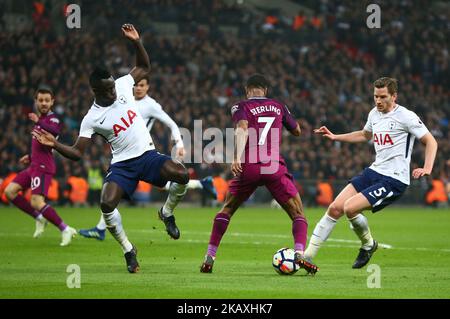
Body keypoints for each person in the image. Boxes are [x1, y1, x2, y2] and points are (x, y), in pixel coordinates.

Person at [32, 24, 189, 273]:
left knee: (182, 174)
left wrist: (137, 41)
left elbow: (144, 67)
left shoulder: (124, 85)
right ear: (96, 91)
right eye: (108, 90)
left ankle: (166, 213)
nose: (114, 91)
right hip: (123, 165)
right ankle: (128, 249)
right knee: (106, 204)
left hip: (147, 156)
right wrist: (55, 144)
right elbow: (77, 153)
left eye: (114, 86)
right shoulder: (92, 118)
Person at [304, 77, 438, 268]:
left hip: (394, 179)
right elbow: (364, 135)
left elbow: (431, 141)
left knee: (350, 208)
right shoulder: (374, 114)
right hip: (374, 171)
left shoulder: (406, 116)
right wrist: (335, 136)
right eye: (376, 96)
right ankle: (307, 256)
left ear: (394, 96)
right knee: (335, 207)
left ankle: (368, 245)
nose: (378, 101)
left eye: (383, 97)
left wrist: (427, 168)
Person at [200, 74, 319, 274]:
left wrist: (237, 157)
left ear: (248, 90)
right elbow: (297, 130)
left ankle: (209, 258)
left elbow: (242, 128)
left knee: (227, 210)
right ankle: (299, 254)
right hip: (273, 166)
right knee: (298, 214)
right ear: (266, 90)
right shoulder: (279, 106)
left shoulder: (240, 106)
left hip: (250, 166)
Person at [78, 74, 217, 241]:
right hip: (124, 154)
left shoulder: (151, 105)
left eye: (142, 85)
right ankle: (202, 184)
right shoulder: (122, 97)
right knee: (115, 194)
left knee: (165, 182)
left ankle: (103, 228)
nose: (138, 88)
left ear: (148, 87)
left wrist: (179, 143)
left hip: (143, 153)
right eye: (136, 85)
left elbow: (171, 123)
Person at [4, 86, 77, 246]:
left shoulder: (52, 119)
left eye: (47, 100)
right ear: (36, 101)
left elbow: (55, 131)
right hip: (33, 166)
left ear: (52, 102)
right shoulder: (41, 121)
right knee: (9, 192)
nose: (43, 103)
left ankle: (65, 229)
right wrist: (29, 157)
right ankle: (39, 218)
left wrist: (39, 122)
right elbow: (42, 146)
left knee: (36, 201)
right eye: (40, 100)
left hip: (44, 167)